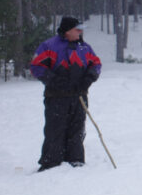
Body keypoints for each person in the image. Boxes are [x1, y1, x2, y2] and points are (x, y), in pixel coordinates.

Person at [30, 17, 101, 171]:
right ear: (67, 30)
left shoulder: (84, 48)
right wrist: (53, 80)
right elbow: (36, 66)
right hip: (56, 97)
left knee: (77, 129)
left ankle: (75, 160)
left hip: (79, 96)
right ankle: (51, 162)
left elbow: (96, 64)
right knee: (55, 129)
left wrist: (89, 77)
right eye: (77, 29)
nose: (80, 32)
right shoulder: (49, 46)